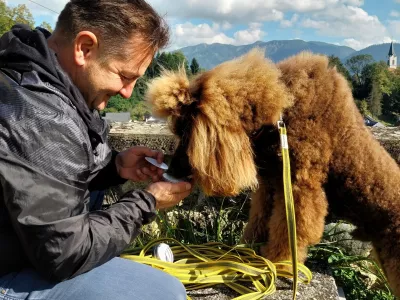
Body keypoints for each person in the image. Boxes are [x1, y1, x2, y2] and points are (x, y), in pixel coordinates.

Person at [0, 1, 191, 299]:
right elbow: (63, 253)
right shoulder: (41, 115)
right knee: (162, 292)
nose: (128, 92)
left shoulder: (36, 73)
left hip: (17, 243)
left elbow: (50, 171)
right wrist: (146, 203)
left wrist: (114, 168)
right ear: (84, 48)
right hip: (11, 268)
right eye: (125, 76)